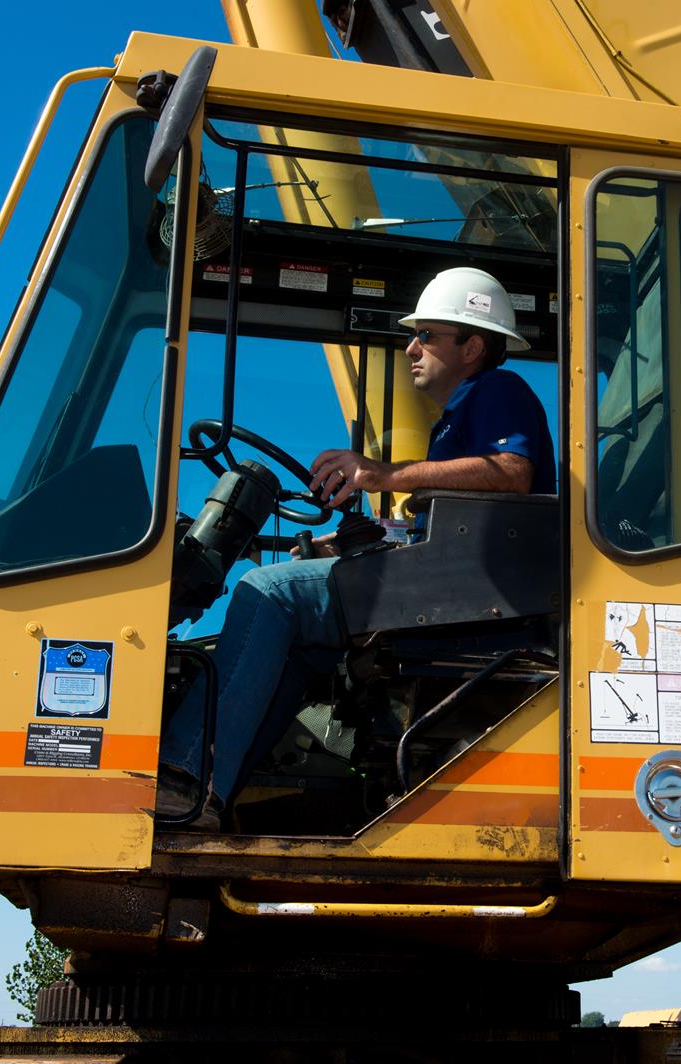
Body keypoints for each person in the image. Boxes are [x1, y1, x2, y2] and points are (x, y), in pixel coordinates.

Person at [158, 267, 553, 828]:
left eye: (427, 336)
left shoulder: (498, 391)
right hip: (451, 580)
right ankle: (220, 794)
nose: (411, 348)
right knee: (298, 644)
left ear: (472, 345)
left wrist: (384, 473)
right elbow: (440, 521)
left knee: (267, 593)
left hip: (476, 594)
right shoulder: (457, 417)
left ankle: (186, 778)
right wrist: (338, 544)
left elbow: (513, 474)